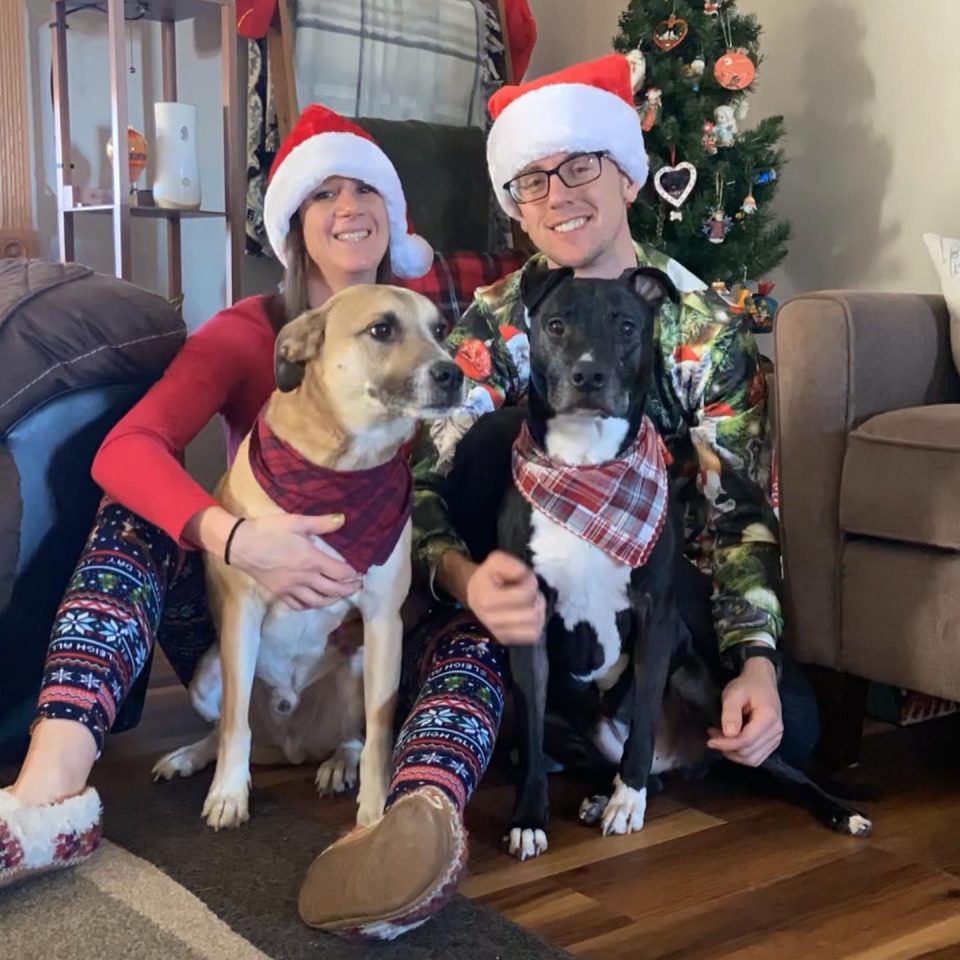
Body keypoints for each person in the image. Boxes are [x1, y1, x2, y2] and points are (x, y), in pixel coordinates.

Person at [297, 53, 818, 939]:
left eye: (581, 166)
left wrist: (756, 661)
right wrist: (460, 577)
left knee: (791, 728)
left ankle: (626, 749)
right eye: (532, 179)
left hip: (655, 614)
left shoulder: (697, 324)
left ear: (627, 175)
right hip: (524, 592)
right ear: (515, 202)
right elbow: (419, 482)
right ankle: (418, 817)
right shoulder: (498, 324)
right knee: (480, 588)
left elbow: (738, 510)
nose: (559, 195)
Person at [0, 105, 512, 910]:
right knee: (133, 518)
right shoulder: (249, 334)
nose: (349, 208)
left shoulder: (429, 335)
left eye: (367, 190)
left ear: (394, 213)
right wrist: (234, 537)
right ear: (292, 224)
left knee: (475, 635)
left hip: (361, 627)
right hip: (238, 613)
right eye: (324, 193)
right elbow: (124, 454)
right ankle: (47, 793)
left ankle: (415, 817)